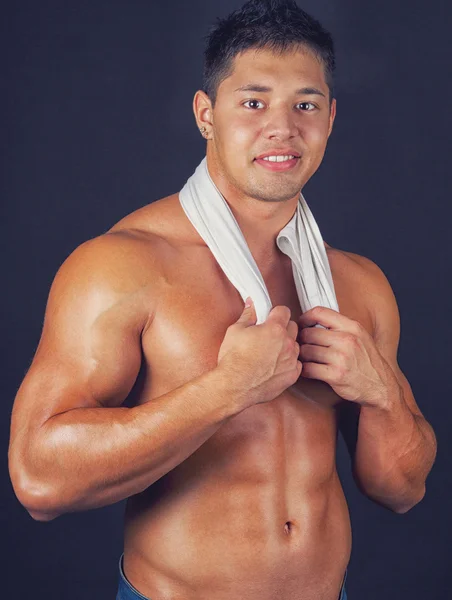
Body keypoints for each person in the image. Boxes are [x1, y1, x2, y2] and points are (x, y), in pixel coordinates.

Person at [8, 1, 437, 599]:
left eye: (305, 105)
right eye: (254, 102)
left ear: (331, 118)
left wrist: (381, 394)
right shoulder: (123, 266)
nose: (282, 128)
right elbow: (37, 482)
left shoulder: (358, 285)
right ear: (206, 114)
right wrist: (225, 390)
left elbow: (402, 490)